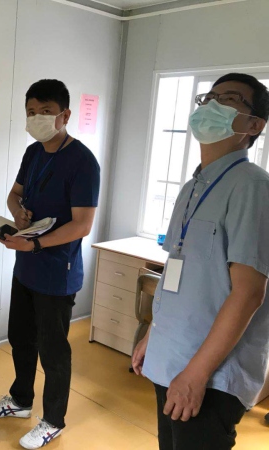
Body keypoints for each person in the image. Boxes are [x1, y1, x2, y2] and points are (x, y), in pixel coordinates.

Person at [132, 73, 269, 450]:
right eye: (209, 97)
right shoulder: (192, 188)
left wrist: (196, 374)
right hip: (172, 357)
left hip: (211, 376)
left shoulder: (253, 187)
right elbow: (178, 271)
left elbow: (248, 294)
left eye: (230, 99)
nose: (212, 105)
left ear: (254, 126)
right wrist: (153, 335)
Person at [0, 79, 100, 449]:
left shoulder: (82, 162)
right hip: (26, 266)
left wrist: (34, 245)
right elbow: (14, 195)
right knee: (20, 337)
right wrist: (17, 213)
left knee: (53, 352)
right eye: (31, 112)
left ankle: (53, 421)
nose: (37, 118)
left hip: (56, 272)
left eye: (46, 111)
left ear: (65, 115)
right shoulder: (33, 153)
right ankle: (20, 401)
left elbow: (82, 225)